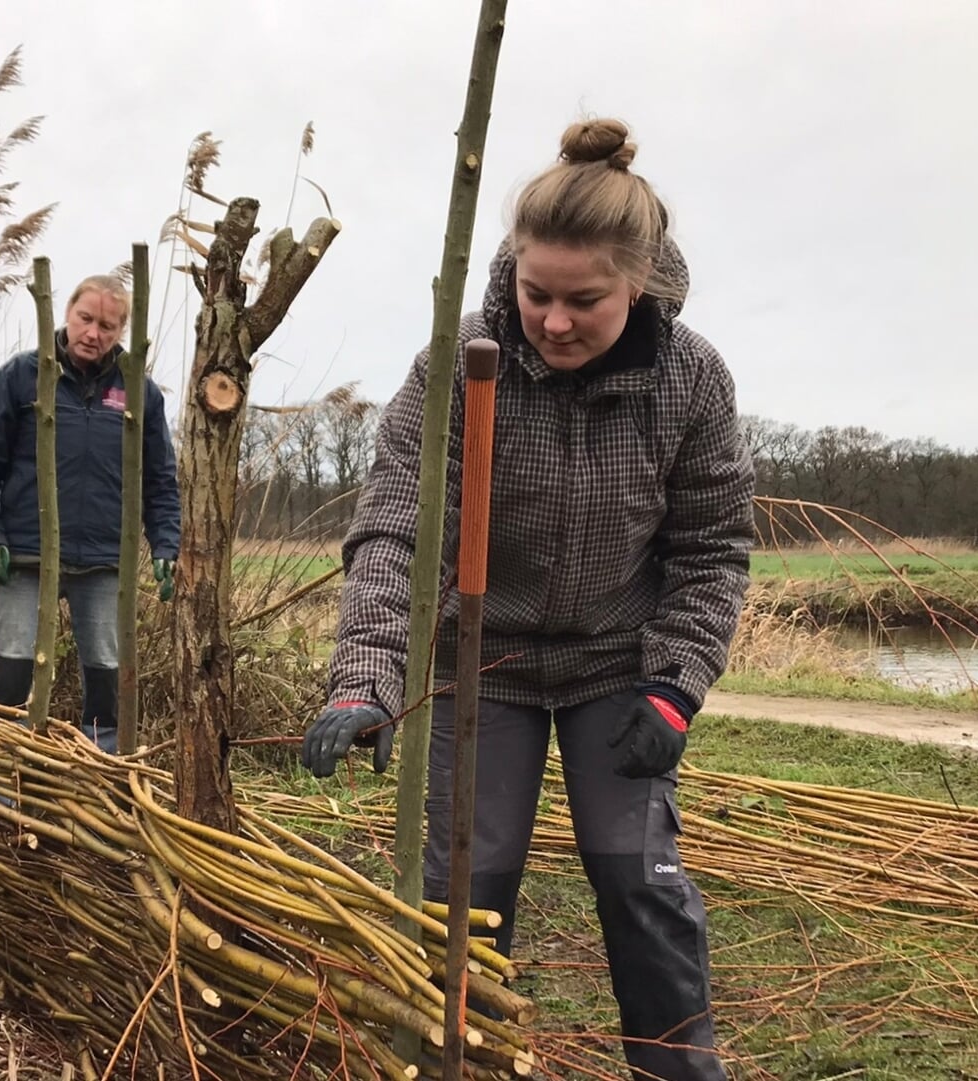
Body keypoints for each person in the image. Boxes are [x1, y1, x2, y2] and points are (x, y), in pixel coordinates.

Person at [302, 118, 755, 1081]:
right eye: (534, 292)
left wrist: (675, 686)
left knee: (641, 881)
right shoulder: (458, 366)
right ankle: (450, 1062)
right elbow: (395, 534)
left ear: (638, 284)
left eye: (583, 300)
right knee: (464, 879)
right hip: (481, 665)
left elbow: (711, 552)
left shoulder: (691, 379)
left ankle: (676, 1069)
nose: (552, 320)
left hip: (613, 669)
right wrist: (367, 680)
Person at [0, 272, 180, 753]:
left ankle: (99, 762)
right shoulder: (23, 376)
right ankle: (3, 762)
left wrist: (166, 544)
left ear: (122, 331)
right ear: (67, 312)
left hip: (104, 559)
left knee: (108, 668)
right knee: (13, 663)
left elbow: (161, 478)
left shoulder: (140, 391)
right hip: (23, 555)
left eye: (107, 325)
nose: (93, 334)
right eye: (86, 319)